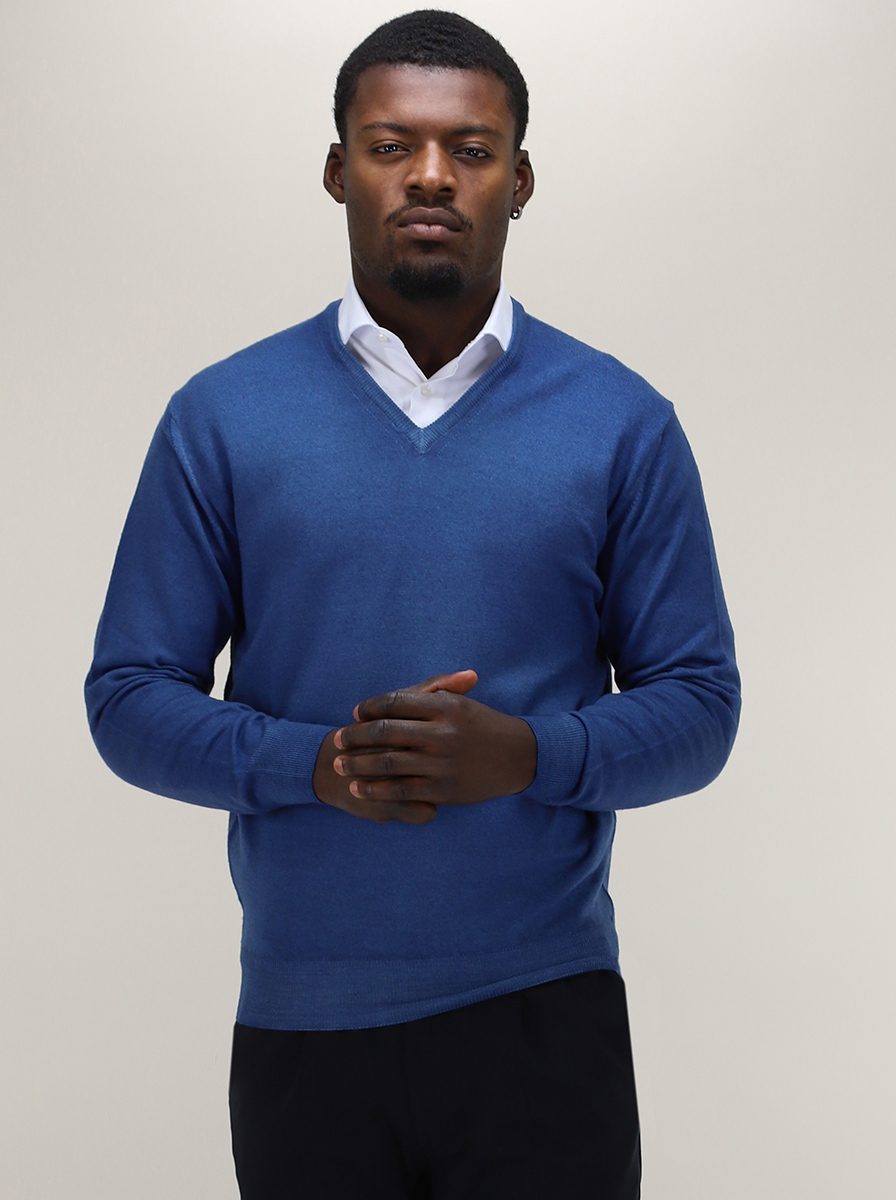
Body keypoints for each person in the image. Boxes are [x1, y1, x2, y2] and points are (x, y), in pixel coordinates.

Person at [85, 10, 740, 1199]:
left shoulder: (620, 422)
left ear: (518, 180)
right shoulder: (221, 418)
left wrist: (526, 755)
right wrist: (317, 765)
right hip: (303, 1022)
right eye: (391, 145)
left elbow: (698, 707)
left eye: (469, 149)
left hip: (544, 1016)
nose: (430, 175)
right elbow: (128, 699)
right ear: (338, 170)